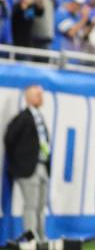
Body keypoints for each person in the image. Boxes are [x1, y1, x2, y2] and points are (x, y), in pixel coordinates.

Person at [4, 84, 50, 239]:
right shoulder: (23, 118)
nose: (41, 98)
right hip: (29, 168)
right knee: (31, 205)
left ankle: (42, 238)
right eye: (38, 94)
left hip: (42, 165)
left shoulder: (39, 117)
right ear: (29, 98)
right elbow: (9, 139)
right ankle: (31, 239)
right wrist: (20, 161)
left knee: (41, 206)